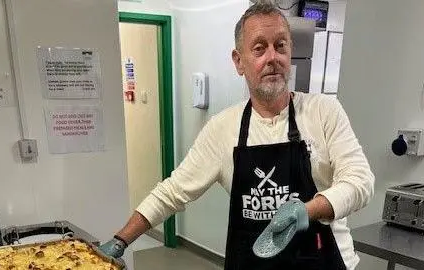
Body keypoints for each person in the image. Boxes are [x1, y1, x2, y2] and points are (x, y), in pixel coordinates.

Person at [100, 2, 374, 269]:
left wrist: (307, 210)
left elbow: (360, 181)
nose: (272, 58)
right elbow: (172, 192)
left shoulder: (323, 111)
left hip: (322, 260)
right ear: (239, 61)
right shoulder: (223, 128)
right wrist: (121, 239)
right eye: (259, 48)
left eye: (280, 46)